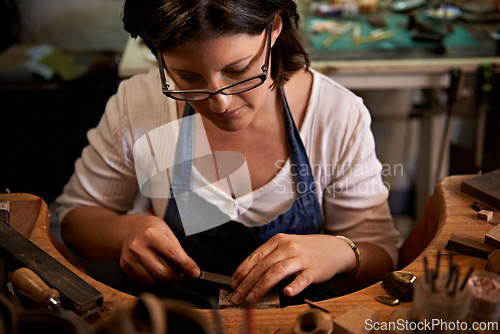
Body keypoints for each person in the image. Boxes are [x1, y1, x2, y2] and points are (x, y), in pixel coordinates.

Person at [56, 0, 399, 307]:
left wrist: (342, 253)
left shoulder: (334, 114)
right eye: (187, 77)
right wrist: (123, 232)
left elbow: (382, 259)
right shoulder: (140, 104)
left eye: (238, 70)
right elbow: (75, 222)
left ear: (274, 28)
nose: (221, 103)